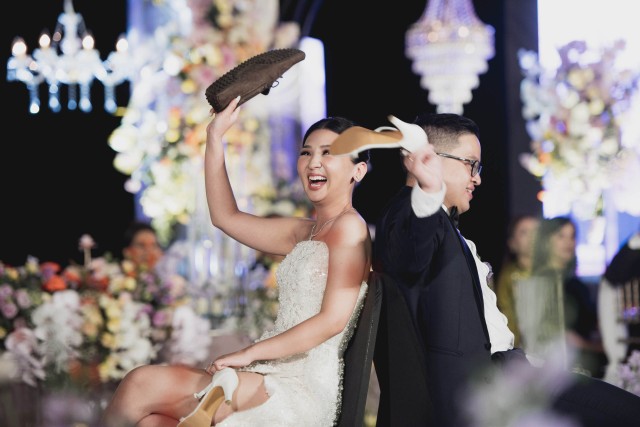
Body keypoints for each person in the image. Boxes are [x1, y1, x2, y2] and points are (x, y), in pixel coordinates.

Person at [102, 96, 372, 426]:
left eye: (328, 153)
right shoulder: (305, 232)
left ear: (358, 170)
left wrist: (249, 353)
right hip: (267, 372)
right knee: (151, 422)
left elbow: (332, 320)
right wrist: (215, 137)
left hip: (298, 387)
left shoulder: (349, 227)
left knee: (140, 383)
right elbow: (225, 217)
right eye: (306, 152)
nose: (313, 162)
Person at [371, 112, 640, 427]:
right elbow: (409, 255)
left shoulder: (441, 223)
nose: (477, 179)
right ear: (432, 159)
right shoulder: (409, 214)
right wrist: (428, 192)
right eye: (471, 164)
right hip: (483, 391)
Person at [518, 216, 608, 378]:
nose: (568, 242)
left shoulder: (576, 285)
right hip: (555, 371)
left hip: (585, 366)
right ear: (546, 241)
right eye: (561, 236)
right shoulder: (537, 283)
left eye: (572, 236)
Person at [495, 214, 540, 347]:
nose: (532, 237)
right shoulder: (508, 277)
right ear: (512, 243)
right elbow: (507, 316)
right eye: (524, 232)